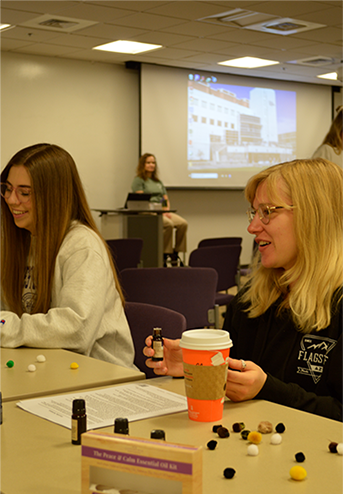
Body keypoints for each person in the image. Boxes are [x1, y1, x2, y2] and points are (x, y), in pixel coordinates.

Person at [144, 158, 343, 422]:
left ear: (313, 217)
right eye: (254, 213)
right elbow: (234, 376)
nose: (252, 228)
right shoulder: (252, 299)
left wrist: (268, 389)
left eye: (267, 212)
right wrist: (200, 363)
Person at [0, 143, 136, 368]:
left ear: (53, 197)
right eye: (7, 188)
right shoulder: (20, 241)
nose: (12, 200)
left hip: (101, 378)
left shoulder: (82, 245)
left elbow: (76, 330)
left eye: (24, 193)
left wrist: (7, 327)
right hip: (48, 367)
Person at [132, 153, 187, 266]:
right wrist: (155, 211)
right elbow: (141, 200)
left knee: (183, 223)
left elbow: (164, 198)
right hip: (148, 211)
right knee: (168, 225)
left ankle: (176, 252)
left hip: (161, 211)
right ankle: (165, 253)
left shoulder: (158, 182)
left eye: (153, 163)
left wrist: (166, 210)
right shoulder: (139, 180)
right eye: (148, 163)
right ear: (143, 164)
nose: (151, 165)